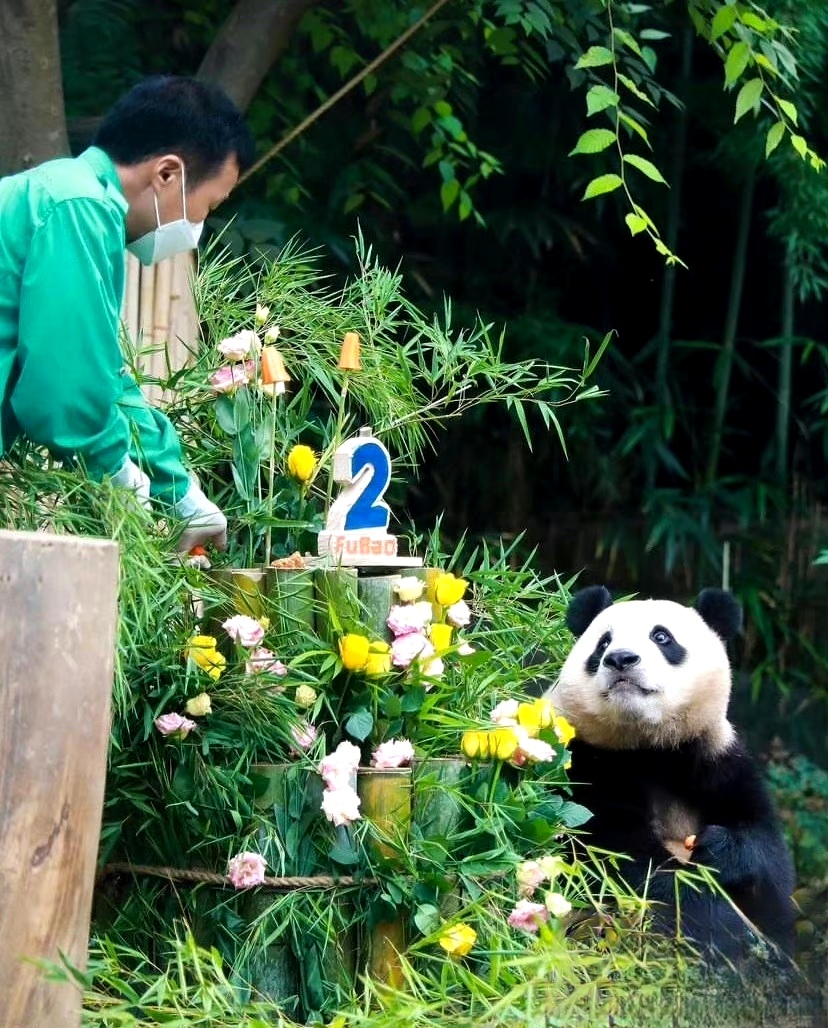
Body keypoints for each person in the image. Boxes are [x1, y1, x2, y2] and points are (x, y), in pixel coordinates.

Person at [0, 75, 255, 551]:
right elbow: (63, 394)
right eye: (209, 206)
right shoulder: (80, 208)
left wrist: (177, 491)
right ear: (167, 174)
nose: (199, 224)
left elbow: (105, 377)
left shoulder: (63, 194)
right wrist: (117, 471)